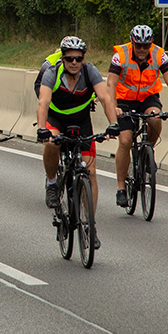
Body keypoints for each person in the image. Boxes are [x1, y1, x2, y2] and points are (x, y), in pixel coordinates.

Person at [36, 36, 119, 250]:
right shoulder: (52, 74)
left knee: (90, 173)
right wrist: (41, 128)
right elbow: (43, 101)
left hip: (81, 122)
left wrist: (113, 124)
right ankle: (52, 182)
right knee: (52, 144)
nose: (74, 62)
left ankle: (90, 226)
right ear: (63, 58)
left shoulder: (89, 72)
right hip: (56, 120)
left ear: (83, 59)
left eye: (78, 58)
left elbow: (105, 97)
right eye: (70, 58)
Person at [108, 25, 168, 208]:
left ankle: (148, 150)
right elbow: (110, 84)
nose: (142, 50)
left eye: (145, 46)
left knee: (156, 118)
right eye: (138, 45)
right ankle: (120, 188)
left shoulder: (159, 55)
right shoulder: (120, 56)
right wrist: (113, 107)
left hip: (148, 98)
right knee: (125, 141)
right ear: (132, 42)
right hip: (123, 100)